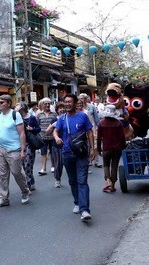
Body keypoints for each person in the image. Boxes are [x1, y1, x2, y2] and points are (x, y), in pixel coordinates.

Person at [53, 94, 95, 222]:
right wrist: (57, 138)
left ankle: (85, 210)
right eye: (65, 102)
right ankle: (77, 201)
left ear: (75, 103)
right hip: (66, 153)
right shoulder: (61, 118)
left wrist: (92, 149)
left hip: (81, 153)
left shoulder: (82, 116)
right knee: (72, 180)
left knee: (82, 181)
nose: (67, 104)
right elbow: (55, 130)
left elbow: (89, 132)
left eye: (69, 102)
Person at [0, 94, 30, 208]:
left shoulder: (15, 114)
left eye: (2, 102)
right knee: (2, 174)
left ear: (9, 103)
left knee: (17, 172)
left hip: (13, 149)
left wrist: (23, 150)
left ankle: (25, 192)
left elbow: (22, 133)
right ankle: (4, 198)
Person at [97, 105, 126, 193]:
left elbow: (98, 138)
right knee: (114, 165)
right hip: (117, 148)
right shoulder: (118, 123)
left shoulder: (101, 123)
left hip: (106, 147)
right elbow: (122, 137)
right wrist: (123, 147)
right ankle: (112, 185)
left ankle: (108, 180)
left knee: (106, 164)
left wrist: (99, 148)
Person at [18, 102, 41, 191]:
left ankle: (28, 183)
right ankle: (31, 180)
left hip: (30, 143)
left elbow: (38, 129)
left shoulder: (31, 118)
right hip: (20, 144)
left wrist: (32, 129)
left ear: (22, 108)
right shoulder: (16, 118)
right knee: (24, 164)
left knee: (28, 164)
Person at [80, 93, 101, 168]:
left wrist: (99, 127)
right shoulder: (78, 108)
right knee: (86, 145)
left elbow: (96, 118)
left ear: (86, 99)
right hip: (82, 129)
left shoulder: (91, 107)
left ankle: (97, 161)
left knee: (94, 144)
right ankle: (89, 160)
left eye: (82, 98)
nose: (81, 100)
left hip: (92, 128)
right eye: (80, 98)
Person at [45, 101, 64, 187]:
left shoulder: (69, 117)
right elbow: (47, 132)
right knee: (58, 164)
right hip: (57, 145)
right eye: (60, 108)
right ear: (57, 110)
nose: (62, 110)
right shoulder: (55, 119)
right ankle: (57, 179)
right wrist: (53, 125)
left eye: (63, 108)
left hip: (69, 144)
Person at [37, 97, 56, 176]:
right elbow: (37, 125)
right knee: (43, 152)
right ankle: (44, 168)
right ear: (42, 105)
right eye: (46, 104)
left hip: (52, 137)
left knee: (52, 152)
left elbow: (56, 125)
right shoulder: (39, 115)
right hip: (43, 137)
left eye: (49, 103)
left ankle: (53, 166)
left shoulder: (54, 114)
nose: (47, 105)